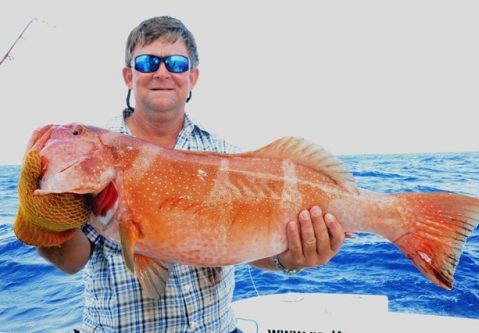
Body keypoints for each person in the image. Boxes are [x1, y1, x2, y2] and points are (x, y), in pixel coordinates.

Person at [36, 16, 346, 332]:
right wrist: (42, 223)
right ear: (129, 76)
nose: (161, 72)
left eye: (175, 63)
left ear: (192, 77)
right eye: (146, 62)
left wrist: (290, 260)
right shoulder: (97, 162)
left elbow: (244, 244)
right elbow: (72, 261)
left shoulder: (224, 152)